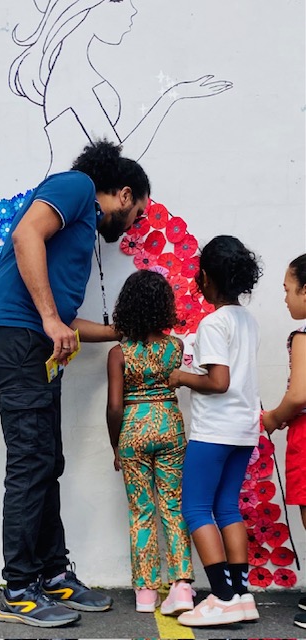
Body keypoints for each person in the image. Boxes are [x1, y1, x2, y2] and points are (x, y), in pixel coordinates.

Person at [0, 138, 150, 628]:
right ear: (125, 194)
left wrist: (122, 332)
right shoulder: (77, 187)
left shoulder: (81, 224)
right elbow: (26, 233)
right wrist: (50, 319)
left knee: (47, 461)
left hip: (33, 341)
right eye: (137, 213)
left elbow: (66, 322)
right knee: (31, 462)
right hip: (15, 337)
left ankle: (51, 574)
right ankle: (19, 590)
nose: (132, 224)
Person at [9, 0, 233, 174]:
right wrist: (173, 95)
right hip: (71, 205)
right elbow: (118, 158)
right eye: (118, 0)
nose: (132, 10)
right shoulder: (71, 79)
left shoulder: (75, 73)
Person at [168, 235, 262, 627]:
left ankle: (222, 597)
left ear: (205, 277)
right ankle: (241, 595)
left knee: (195, 507)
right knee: (226, 507)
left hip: (214, 432)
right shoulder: (247, 320)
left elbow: (218, 381)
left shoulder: (212, 323)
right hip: (244, 430)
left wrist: (182, 377)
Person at [106, 269, 195, 615]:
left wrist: (116, 445)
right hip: (170, 426)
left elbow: (115, 407)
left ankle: (146, 593)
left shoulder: (119, 353)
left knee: (141, 510)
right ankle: (182, 587)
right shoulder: (176, 347)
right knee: (173, 505)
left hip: (133, 430)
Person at [261, 253, 306, 631]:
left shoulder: (303, 336)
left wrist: (273, 418)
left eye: (288, 289)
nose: (285, 298)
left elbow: (299, 394)